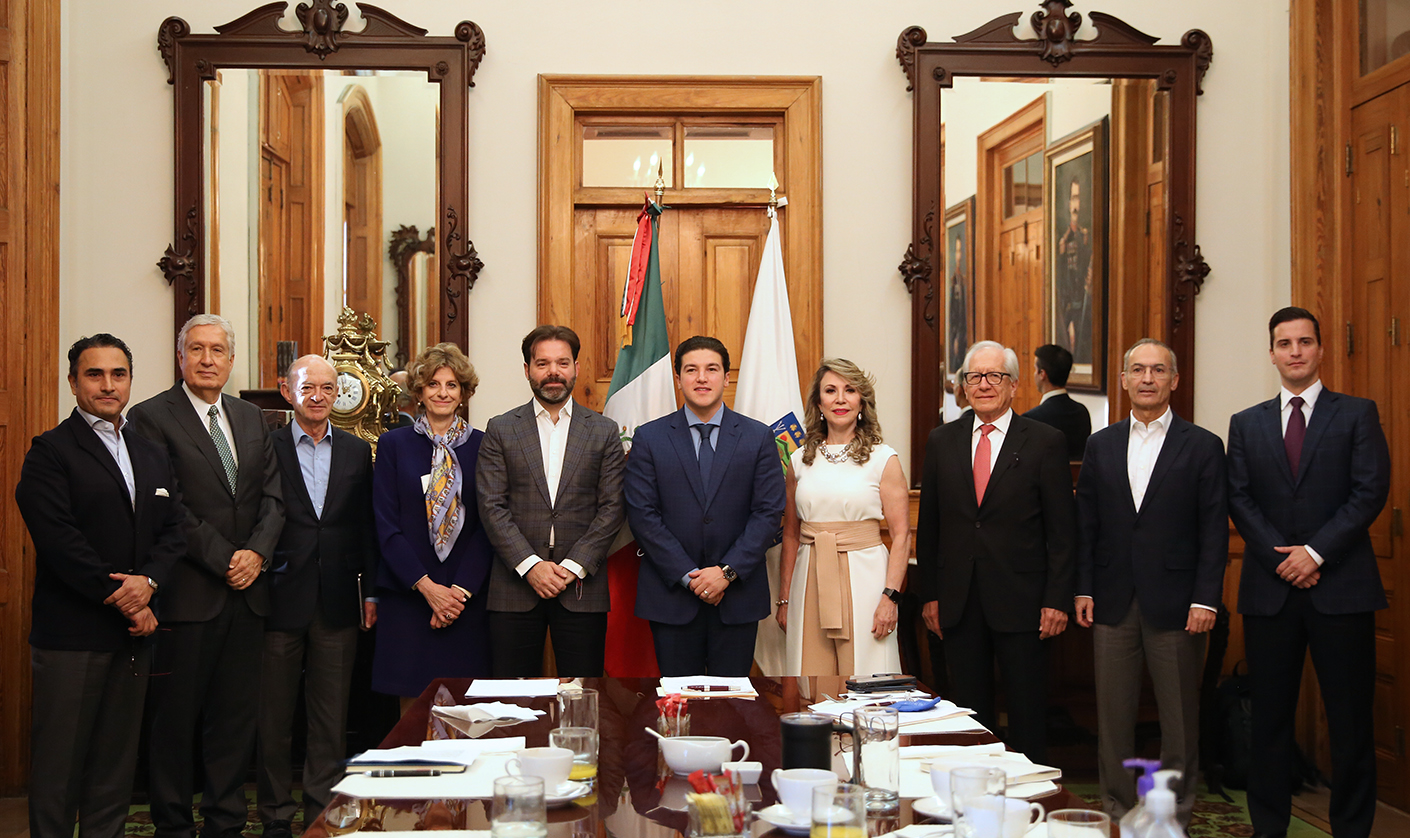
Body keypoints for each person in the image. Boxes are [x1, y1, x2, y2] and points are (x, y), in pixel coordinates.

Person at [1228, 307, 1390, 838]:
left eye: (1304, 341)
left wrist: (1315, 553)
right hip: (1270, 590)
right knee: (1269, 720)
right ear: (1271, 354)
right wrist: (1284, 560)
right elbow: (1239, 498)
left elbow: (1370, 490)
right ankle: (1269, 828)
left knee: (1350, 722)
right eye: (1284, 343)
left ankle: (1351, 829)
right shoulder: (1246, 423)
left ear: (1320, 349)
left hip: (1342, 588)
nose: (1295, 351)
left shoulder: (1357, 414)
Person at [17, 334, 186, 838]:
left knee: (114, 767)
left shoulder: (151, 451)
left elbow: (174, 529)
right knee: (59, 769)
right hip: (73, 636)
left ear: (130, 381)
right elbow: (60, 541)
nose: (108, 385)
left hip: (132, 640)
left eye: (119, 374)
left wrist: (150, 583)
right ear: (73, 383)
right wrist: (130, 601)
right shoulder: (49, 452)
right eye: (95, 374)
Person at [128, 313, 284, 838]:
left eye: (217, 350)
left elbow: (274, 497)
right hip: (188, 596)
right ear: (180, 357)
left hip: (248, 597)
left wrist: (256, 553)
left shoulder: (251, 416)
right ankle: (173, 825)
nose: (207, 359)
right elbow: (166, 505)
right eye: (196, 349)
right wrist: (226, 559)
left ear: (231, 360)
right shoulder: (151, 417)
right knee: (174, 723)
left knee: (234, 722)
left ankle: (225, 822)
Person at [1074, 339, 1227, 827]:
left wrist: (1206, 598)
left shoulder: (1203, 445)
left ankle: (1172, 817)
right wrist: (1083, 588)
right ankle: (1119, 813)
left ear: (1173, 380)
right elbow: (1086, 525)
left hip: (1179, 603)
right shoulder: (1100, 444)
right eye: (1137, 370)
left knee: (1179, 719)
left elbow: (1213, 529)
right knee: (1113, 718)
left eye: (1158, 370)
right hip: (1111, 599)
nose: (1147, 379)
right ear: (1123, 380)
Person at [915, 340, 1076, 761]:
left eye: (994, 376)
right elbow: (930, 526)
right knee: (969, 716)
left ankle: (1028, 793)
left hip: (1024, 603)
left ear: (1014, 385)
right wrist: (931, 594)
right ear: (964, 386)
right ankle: (973, 793)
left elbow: (1062, 532)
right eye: (974, 377)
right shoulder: (941, 441)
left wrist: (1057, 599)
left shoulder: (1045, 441)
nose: (983, 384)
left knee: (1026, 715)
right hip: (959, 601)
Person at [257, 355, 377, 838]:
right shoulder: (266, 447)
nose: (319, 396)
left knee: (330, 718)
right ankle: (274, 814)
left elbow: (365, 527)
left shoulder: (355, 451)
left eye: (328, 387)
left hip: (337, 600)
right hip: (277, 597)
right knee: (274, 716)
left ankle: (320, 813)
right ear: (288, 391)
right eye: (309, 387)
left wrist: (371, 592)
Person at [624, 336, 786, 676]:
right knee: (678, 700)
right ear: (678, 378)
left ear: (726, 378)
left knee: (733, 699)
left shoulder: (757, 437)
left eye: (711, 369)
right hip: (671, 598)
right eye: (691, 370)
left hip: (737, 597)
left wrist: (726, 573)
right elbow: (643, 515)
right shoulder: (649, 438)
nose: (701, 378)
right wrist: (690, 577)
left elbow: (768, 513)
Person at [476, 325, 626, 676]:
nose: (553, 372)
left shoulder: (604, 430)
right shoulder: (501, 428)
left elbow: (613, 507)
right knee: (513, 696)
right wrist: (531, 566)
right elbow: (491, 505)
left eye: (562, 363)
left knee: (583, 693)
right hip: (514, 586)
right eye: (542, 363)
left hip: (581, 588)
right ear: (527, 369)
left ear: (576, 367)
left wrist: (572, 567)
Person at [372, 343, 494, 707]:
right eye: (433, 384)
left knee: (468, 713)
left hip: (465, 601)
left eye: (452, 385)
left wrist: (456, 594)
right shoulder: (393, 445)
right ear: (419, 391)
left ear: (464, 393)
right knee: (412, 715)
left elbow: (489, 525)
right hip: (409, 598)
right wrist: (428, 590)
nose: (443, 392)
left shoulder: (485, 446)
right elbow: (386, 526)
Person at [776, 358, 911, 676]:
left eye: (849, 390)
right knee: (810, 677)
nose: (840, 399)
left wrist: (890, 597)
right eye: (830, 390)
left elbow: (902, 535)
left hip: (866, 579)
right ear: (818, 403)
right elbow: (791, 534)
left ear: (861, 402)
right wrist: (785, 600)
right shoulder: (799, 460)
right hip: (808, 580)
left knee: (867, 674)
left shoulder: (883, 459)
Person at [1024, 343, 1091, 460]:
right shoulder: (1082, 412)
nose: (1034, 374)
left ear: (1042, 374)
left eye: (1035, 369)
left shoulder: (1031, 419)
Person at [1058, 177, 1093, 364]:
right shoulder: (1064, 240)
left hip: (1083, 299)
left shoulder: (1086, 237)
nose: (1075, 205)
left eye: (1078, 198)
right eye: (1073, 198)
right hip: (1067, 302)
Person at [948, 234, 969, 364]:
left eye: (960, 251)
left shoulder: (965, 281)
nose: (958, 256)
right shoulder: (953, 280)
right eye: (956, 252)